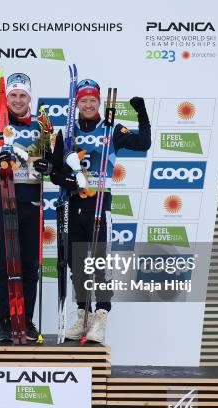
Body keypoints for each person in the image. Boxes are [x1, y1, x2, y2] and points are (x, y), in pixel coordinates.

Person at [48, 79, 151, 343]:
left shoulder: (111, 129)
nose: (89, 104)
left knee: (98, 262)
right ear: (77, 104)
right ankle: (83, 315)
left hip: (99, 203)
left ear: (99, 102)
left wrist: (141, 113)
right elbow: (55, 173)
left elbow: (144, 144)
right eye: (83, 100)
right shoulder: (67, 134)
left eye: (93, 100)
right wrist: (69, 180)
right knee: (76, 263)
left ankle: (101, 316)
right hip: (74, 203)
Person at [0, 73, 47, 342]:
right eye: (13, 95)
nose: (17, 100)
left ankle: (25, 320)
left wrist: (47, 167)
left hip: (32, 203)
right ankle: (5, 320)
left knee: (29, 265)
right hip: (4, 201)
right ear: (6, 99)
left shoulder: (41, 128)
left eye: (22, 95)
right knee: (4, 264)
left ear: (30, 98)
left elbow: (49, 166)